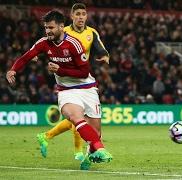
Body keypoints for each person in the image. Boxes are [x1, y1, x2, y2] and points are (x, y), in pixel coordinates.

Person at [6, 10, 112, 170]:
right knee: (75, 117)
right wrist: (13, 69)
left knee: (95, 133)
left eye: (51, 28)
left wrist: (60, 70)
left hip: (87, 88)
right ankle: (101, 148)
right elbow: (27, 56)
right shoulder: (43, 43)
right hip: (66, 90)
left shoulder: (74, 44)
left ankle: (89, 156)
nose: (48, 31)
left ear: (61, 27)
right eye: (46, 28)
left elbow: (83, 73)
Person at [35, 3, 110, 170]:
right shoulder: (63, 32)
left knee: (91, 127)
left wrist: (105, 56)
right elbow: (45, 45)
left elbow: (100, 47)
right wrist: (36, 57)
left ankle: (82, 154)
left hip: (83, 79)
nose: (81, 17)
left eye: (83, 14)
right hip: (65, 80)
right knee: (77, 119)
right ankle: (79, 152)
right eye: (78, 14)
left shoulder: (92, 33)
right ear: (71, 16)